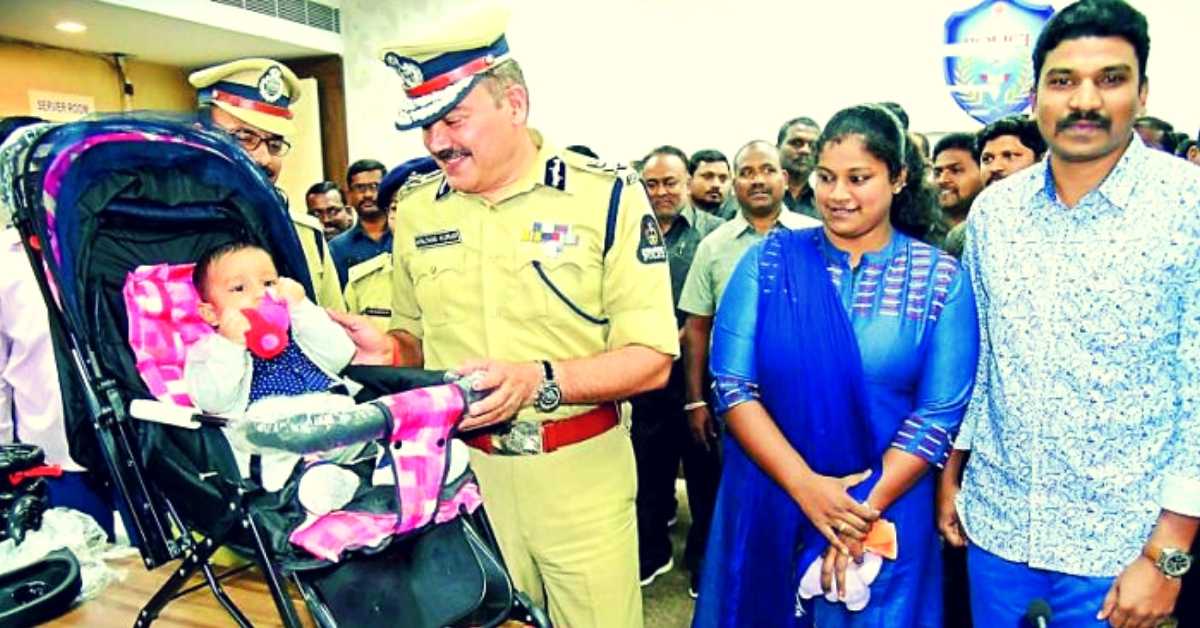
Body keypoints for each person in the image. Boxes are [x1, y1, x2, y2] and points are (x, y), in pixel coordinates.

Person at [335, 8, 679, 627]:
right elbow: (413, 338)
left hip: (579, 477)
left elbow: (652, 358)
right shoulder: (417, 210)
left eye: (453, 119)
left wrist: (538, 379)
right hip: (462, 481)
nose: (436, 142)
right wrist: (385, 351)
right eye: (425, 126)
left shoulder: (604, 196)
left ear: (514, 104)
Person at [945, 2, 1200, 626]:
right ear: (1035, 96)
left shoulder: (1187, 210)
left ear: (1142, 92)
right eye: (1063, 81)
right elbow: (983, 364)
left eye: (1110, 79)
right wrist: (953, 474)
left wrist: (1168, 555)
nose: (1084, 99)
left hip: (1120, 550)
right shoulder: (995, 215)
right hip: (997, 529)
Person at [693, 104, 978, 627]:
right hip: (772, 494)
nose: (837, 194)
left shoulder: (941, 278)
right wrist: (806, 488)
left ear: (898, 178)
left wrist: (852, 513)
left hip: (886, 506)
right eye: (826, 177)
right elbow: (732, 386)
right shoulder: (769, 260)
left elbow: (938, 414)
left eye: (858, 178)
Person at [184, 242, 368, 511]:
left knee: (373, 420)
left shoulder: (300, 333)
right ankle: (313, 484)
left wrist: (302, 307)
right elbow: (213, 401)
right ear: (211, 313)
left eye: (269, 282)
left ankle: (398, 466)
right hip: (275, 437)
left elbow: (341, 355)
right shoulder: (209, 351)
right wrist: (230, 345)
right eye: (239, 288)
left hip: (332, 419)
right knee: (273, 438)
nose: (260, 294)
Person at [1, 117, 118, 540]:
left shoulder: (105, 245)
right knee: (83, 570)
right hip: (53, 458)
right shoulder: (4, 263)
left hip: (134, 445)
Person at [630, 145, 723, 588]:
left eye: (671, 182)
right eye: (652, 183)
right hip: (645, 377)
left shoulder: (714, 236)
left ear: (687, 183)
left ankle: (703, 561)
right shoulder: (630, 233)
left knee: (704, 476)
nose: (662, 192)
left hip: (698, 378)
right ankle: (652, 553)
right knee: (649, 471)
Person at [189, 58, 345, 311]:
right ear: (201, 137)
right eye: (244, 138)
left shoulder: (306, 236)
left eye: (274, 145)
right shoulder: (166, 229)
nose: (263, 159)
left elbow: (336, 334)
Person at [343, 156, 440, 330]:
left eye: (418, 208)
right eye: (395, 208)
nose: (405, 217)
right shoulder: (362, 283)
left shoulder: (472, 274)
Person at [330, 159, 390, 287]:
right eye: (360, 188)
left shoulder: (406, 237)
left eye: (375, 187)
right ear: (349, 195)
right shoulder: (336, 248)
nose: (368, 194)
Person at [778, 116, 823, 219]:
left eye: (813, 146)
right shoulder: (757, 199)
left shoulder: (826, 206)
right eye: (797, 143)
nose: (805, 151)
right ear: (777, 148)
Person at [687, 149, 733, 218]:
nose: (716, 184)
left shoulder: (739, 216)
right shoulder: (672, 215)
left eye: (723, 178)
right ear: (689, 181)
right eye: (708, 177)